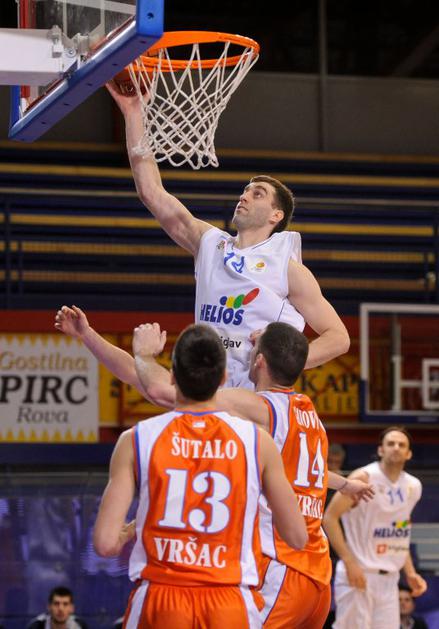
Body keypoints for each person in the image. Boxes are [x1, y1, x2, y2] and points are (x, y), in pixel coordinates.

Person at [101, 82, 350, 389]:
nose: (244, 196)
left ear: (276, 216)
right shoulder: (210, 243)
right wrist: (133, 113)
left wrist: (284, 361)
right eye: (245, 190)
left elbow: (339, 338)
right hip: (207, 390)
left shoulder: (288, 269)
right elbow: (151, 192)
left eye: (257, 194)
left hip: (254, 397)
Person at [131, 320, 374, 628]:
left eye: (255, 345)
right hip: (317, 578)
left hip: (281, 569)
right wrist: (346, 483)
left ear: (259, 361)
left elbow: (169, 394)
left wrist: (144, 355)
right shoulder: (308, 412)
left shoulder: (261, 407)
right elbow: (299, 473)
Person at [93, 323, 308, 628]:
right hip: (229, 600)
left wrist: (132, 530)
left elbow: (105, 544)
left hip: (162, 598)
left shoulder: (136, 439)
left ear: (172, 376)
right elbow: (297, 537)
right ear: (223, 379)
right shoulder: (257, 442)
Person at [323, 427, 428, 629]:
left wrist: (410, 573)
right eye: (390, 443)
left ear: (409, 453)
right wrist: (349, 561)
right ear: (381, 450)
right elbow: (329, 518)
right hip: (358, 573)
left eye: (401, 445)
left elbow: (400, 533)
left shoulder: (413, 486)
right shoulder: (363, 477)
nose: (396, 448)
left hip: (390, 579)